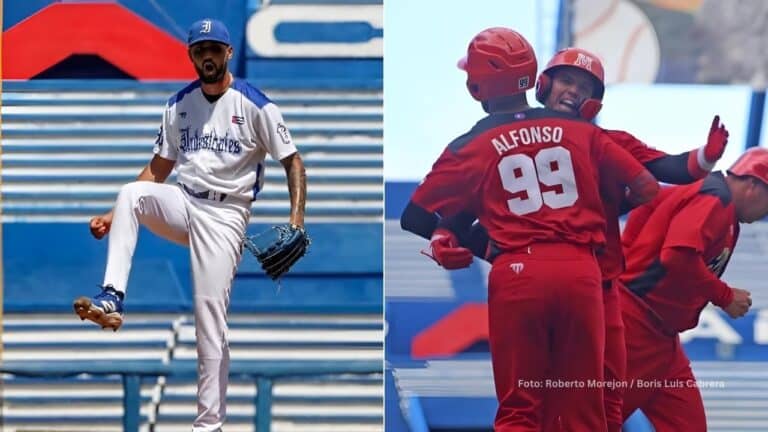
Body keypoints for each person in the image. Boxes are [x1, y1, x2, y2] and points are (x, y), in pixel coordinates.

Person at [430, 47, 729, 432]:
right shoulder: (507, 141)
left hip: (599, 291)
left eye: (585, 87)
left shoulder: (600, 140)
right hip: (548, 282)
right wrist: (447, 233)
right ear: (543, 84)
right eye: (568, 81)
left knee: (602, 403)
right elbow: (464, 204)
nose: (574, 91)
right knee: (540, 403)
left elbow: (669, 166)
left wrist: (706, 156)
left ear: (594, 102)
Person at [400, 27, 659, 432]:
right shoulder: (581, 131)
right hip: (581, 271)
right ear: (535, 77)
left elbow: (414, 216)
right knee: (585, 410)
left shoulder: (469, 145)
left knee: (520, 408)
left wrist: (459, 239)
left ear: (476, 85)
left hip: (516, 272)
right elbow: (646, 187)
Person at [72, 18, 307, 432]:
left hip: (227, 215)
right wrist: (114, 216)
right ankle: (112, 297)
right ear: (192, 55)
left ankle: (208, 425)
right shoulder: (178, 105)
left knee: (209, 321)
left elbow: (293, 161)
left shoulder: (254, 104)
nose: (208, 56)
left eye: (215, 48)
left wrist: (296, 221)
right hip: (185, 201)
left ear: (228, 53)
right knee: (131, 193)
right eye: (201, 49)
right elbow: (159, 168)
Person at [617, 148, 766, 431]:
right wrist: (724, 296)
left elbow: (647, 206)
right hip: (637, 326)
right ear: (753, 186)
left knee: (688, 424)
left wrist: (625, 259)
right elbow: (677, 255)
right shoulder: (716, 197)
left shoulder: (709, 195)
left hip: (662, 337)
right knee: (596, 419)